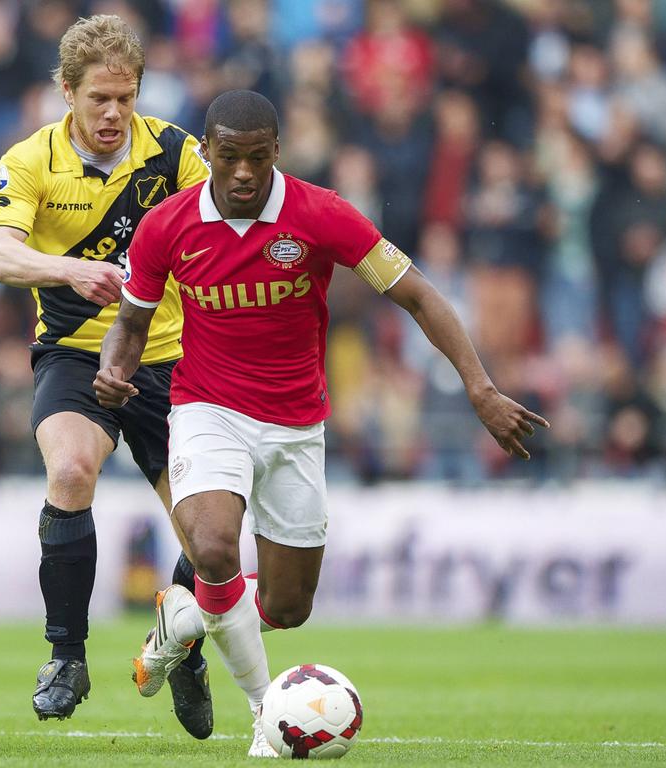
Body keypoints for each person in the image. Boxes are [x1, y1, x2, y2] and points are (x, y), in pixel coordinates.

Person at [94, 89, 549, 756]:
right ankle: (265, 715)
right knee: (214, 549)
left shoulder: (322, 214)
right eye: (228, 159)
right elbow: (130, 324)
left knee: (287, 605)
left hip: (296, 424)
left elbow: (419, 295)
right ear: (207, 156)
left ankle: (181, 617)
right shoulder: (168, 225)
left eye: (256, 157)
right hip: (207, 410)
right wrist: (115, 369)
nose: (243, 172)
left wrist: (479, 388)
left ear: (277, 151)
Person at [0, 15, 214, 735]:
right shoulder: (30, 160)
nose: (113, 114)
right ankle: (66, 657)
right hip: (76, 353)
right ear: (66, 92)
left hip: (172, 356)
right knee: (73, 471)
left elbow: (226, 230)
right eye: (98, 100)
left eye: (126, 97)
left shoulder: (176, 153)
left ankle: (180, 645)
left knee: (212, 542)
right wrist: (68, 268)